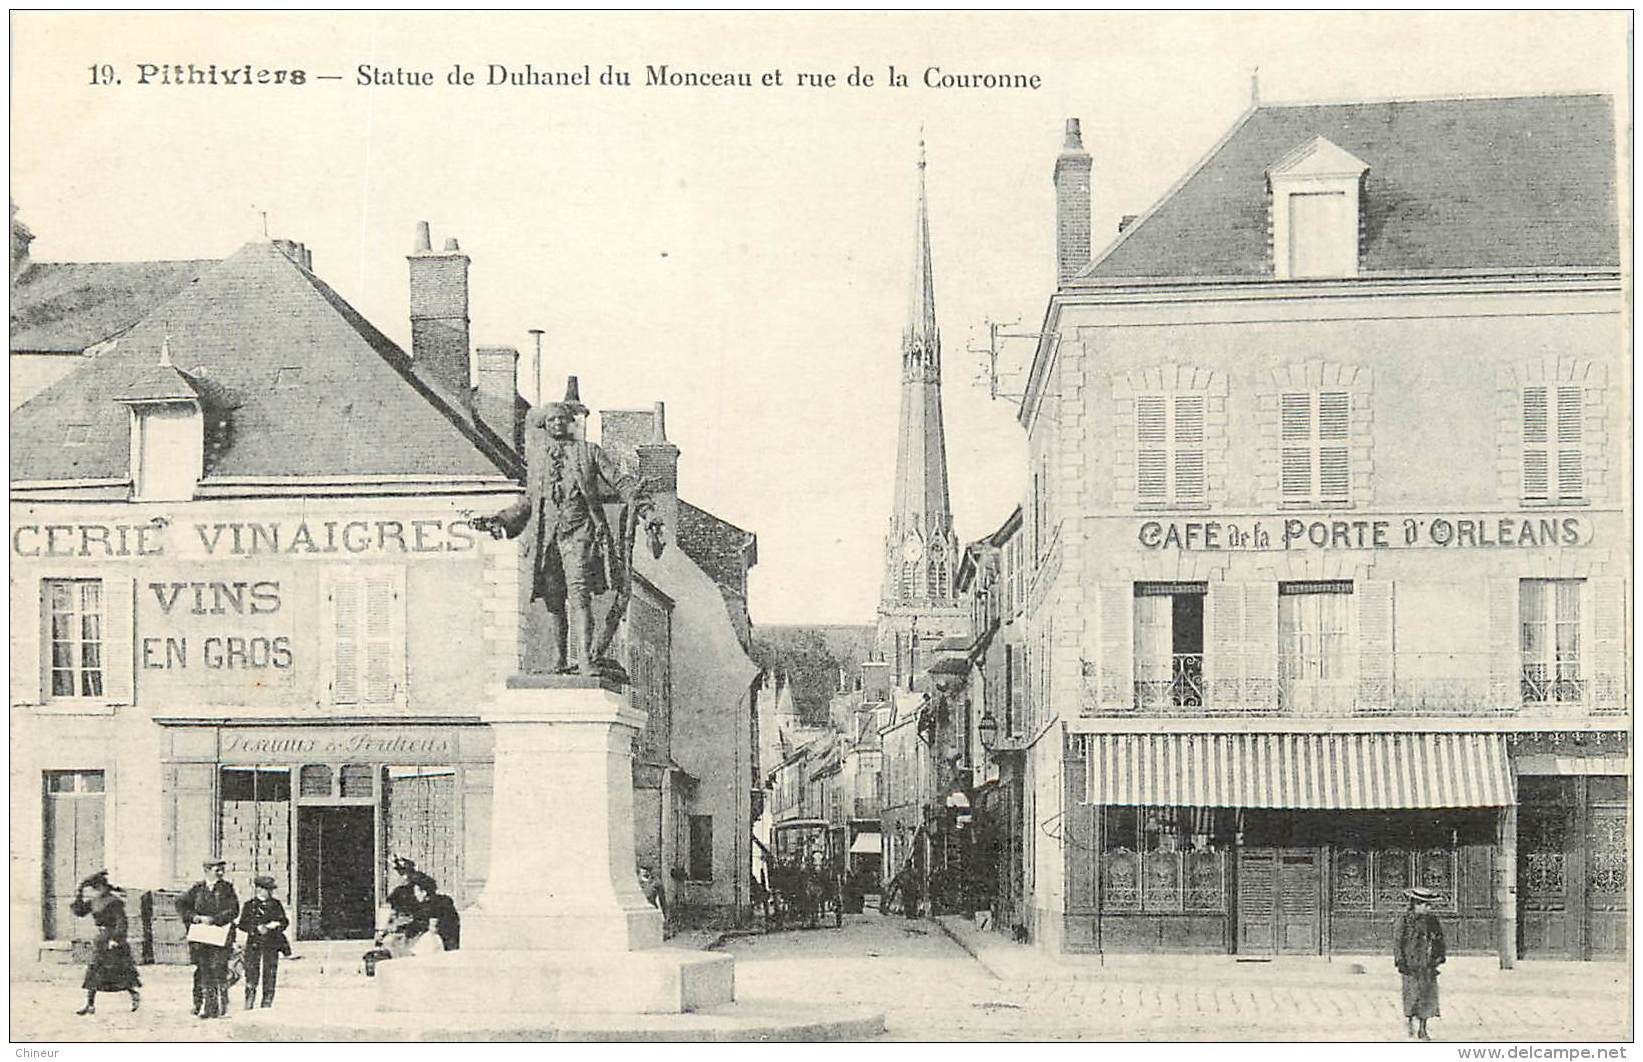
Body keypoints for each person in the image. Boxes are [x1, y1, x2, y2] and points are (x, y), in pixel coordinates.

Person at [471, 397, 642, 675]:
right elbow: (529, 502)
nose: (558, 423)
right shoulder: (538, 460)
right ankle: (560, 660)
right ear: (546, 425)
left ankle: (585, 660)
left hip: (580, 534)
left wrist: (638, 500)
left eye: (562, 419)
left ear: (571, 423)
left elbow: (619, 481)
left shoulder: (589, 452)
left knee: (579, 595)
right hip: (546, 537)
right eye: (552, 420)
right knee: (553, 599)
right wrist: (500, 519)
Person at [69, 870, 141, 1015]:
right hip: (101, 940)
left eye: (98, 887)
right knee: (94, 970)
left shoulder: (114, 902)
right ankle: (90, 1004)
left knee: (119, 972)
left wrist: (116, 939)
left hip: (113, 940)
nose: (96, 890)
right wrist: (79, 894)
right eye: (95, 888)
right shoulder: (95, 901)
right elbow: (80, 912)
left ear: (103, 886)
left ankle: (133, 995)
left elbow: (122, 922)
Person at [177, 858, 239, 1019]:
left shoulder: (227, 889)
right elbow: (181, 906)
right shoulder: (197, 889)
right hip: (201, 937)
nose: (220, 873)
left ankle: (219, 1005)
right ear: (207, 871)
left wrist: (215, 919)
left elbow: (233, 910)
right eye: (216, 870)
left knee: (218, 968)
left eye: (221, 870)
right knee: (202, 969)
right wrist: (195, 917)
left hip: (220, 936)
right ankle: (200, 1004)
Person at [1394, 886, 1448, 1041]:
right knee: (1411, 995)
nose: (1428, 908)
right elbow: (1398, 942)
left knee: (1427, 997)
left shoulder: (1432, 921)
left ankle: (1423, 1029)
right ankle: (1410, 1021)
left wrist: (1439, 957)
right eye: (1425, 904)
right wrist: (1400, 961)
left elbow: (1439, 940)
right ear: (1415, 904)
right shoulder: (1404, 920)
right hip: (1410, 965)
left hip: (1427, 965)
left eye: (1429, 905)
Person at [364, 856, 426, 976]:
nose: (404, 877)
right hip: (399, 930)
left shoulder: (417, 890)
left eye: (406, 872)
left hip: (413, 930)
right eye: (401, 872)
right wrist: (382, 931)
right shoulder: (398, 892)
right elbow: (390, 912)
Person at [237, 875, 291, 1009]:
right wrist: (256, 928)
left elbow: (284, 921)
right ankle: (249, 1000)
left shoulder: (276, 904)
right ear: (259, 889)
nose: (270, 893)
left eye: (271, 890)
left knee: (270, 972)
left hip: (272, 943)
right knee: (251, 972)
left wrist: (276, 925)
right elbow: (242, 924)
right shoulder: (250, 905)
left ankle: (267, 1001)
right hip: (254, 944)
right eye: (267, 890)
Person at [411, 875, 461, 952]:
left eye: (416, 891)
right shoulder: (442, 900)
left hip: (440, 942)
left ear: (424, 892)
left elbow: (432, 928)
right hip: (452, 939)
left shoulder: (429, 905)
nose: (415, 894)